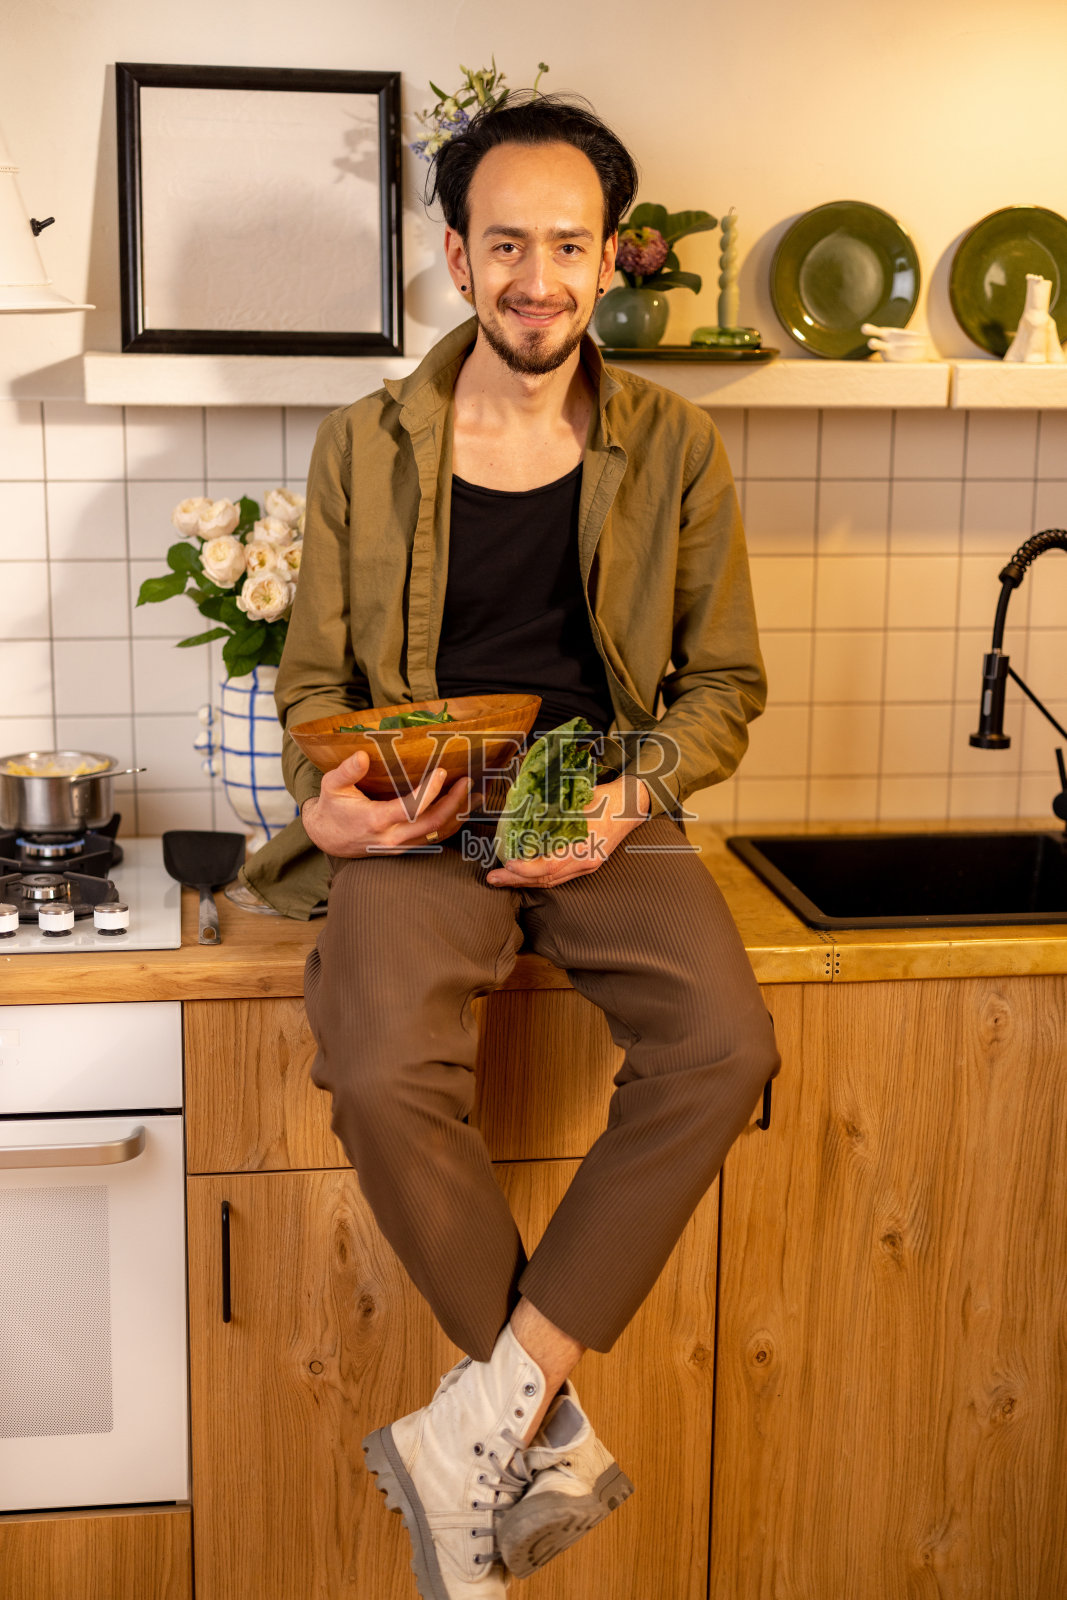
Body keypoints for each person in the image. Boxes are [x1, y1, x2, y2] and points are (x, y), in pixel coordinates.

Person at [249, 92, 780, 1600]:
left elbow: (725, 683)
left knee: (725, 1047)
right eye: (504, 244)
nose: (535, 275)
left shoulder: (675, 446)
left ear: (612, 256)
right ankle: (533, 1436)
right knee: (371, 1058)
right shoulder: (369, 441)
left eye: (566, 242)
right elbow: (309, 689)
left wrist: (634, 790)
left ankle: (483, 1419)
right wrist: (325, 796)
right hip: (422, 801)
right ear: (455, 256)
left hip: (599, 794)